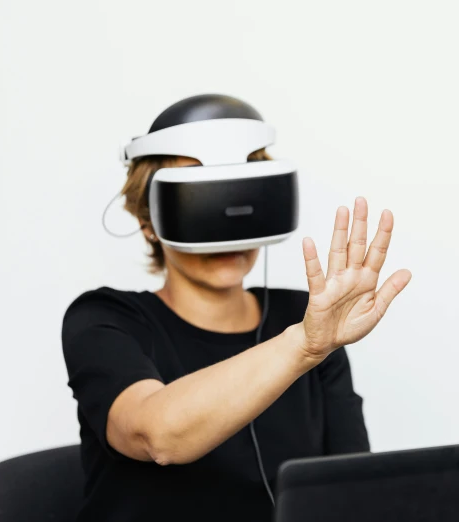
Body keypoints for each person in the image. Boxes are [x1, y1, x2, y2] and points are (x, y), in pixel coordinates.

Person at [61, 95, 412, 522]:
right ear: (148, 221)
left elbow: (350, 490)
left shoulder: (310, 316)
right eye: (200, 198)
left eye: (240, 191)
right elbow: (158, 436)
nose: (227, 221)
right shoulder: (104, 320)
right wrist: (303, 345)